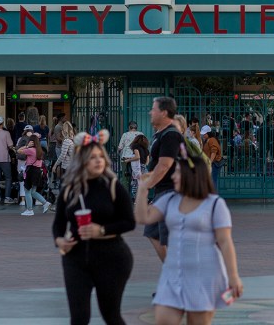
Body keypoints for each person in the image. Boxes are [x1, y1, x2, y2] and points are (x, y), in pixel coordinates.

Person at [134, 135, 243, 325]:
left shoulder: (215, 204)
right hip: (173, 272)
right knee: (164, 319)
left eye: (177, 173)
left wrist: (233, 276)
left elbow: (225, 242)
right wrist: (142, 190)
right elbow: (143, 217)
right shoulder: (169, 199)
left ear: (191, 176)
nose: (173, 176)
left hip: (204, 273)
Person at [54, 132, 136, 325]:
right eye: (92, 157)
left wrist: (102, 230)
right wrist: (60, 241)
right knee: (79, 318)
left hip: (112, 258)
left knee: (111, 315)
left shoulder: (113, 186)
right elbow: (58, 225)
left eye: (101, 156)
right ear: (82, 161)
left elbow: (129, 222)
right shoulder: (69, 189)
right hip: (76, 259)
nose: (98, 161)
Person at [142, 97, 183, 262]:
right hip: (163, 192)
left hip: (171, 192)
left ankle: (177, 280)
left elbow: (165, 165)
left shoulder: (171, 134)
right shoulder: (162, 134)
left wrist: (146, 186)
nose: (150, 112)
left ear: (164, 113)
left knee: (169, 238)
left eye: (154, 109)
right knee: (153, 232)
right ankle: (172, 275)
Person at [125, 135, 150, 202]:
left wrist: (128, 160)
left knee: (135, 184)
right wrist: (143, 166)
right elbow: (147, 161)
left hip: (137, 168)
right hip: (144, 168)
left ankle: (137, 200)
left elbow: (137, 157)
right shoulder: (146, 149)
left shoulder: (135, 146)